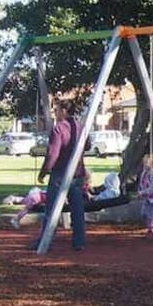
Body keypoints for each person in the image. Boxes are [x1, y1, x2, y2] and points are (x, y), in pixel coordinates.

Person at [37, 99, 89, 250]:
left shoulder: (59, 129)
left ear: (64, 111)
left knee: (51, 208)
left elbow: (52, 154)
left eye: (57, 110)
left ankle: (45, 241)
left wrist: (44, 172)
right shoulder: (81, 127)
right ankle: (79, 242)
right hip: (77, 173)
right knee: (77, 209)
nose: (55, 113)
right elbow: (88, 145)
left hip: (60, 173)